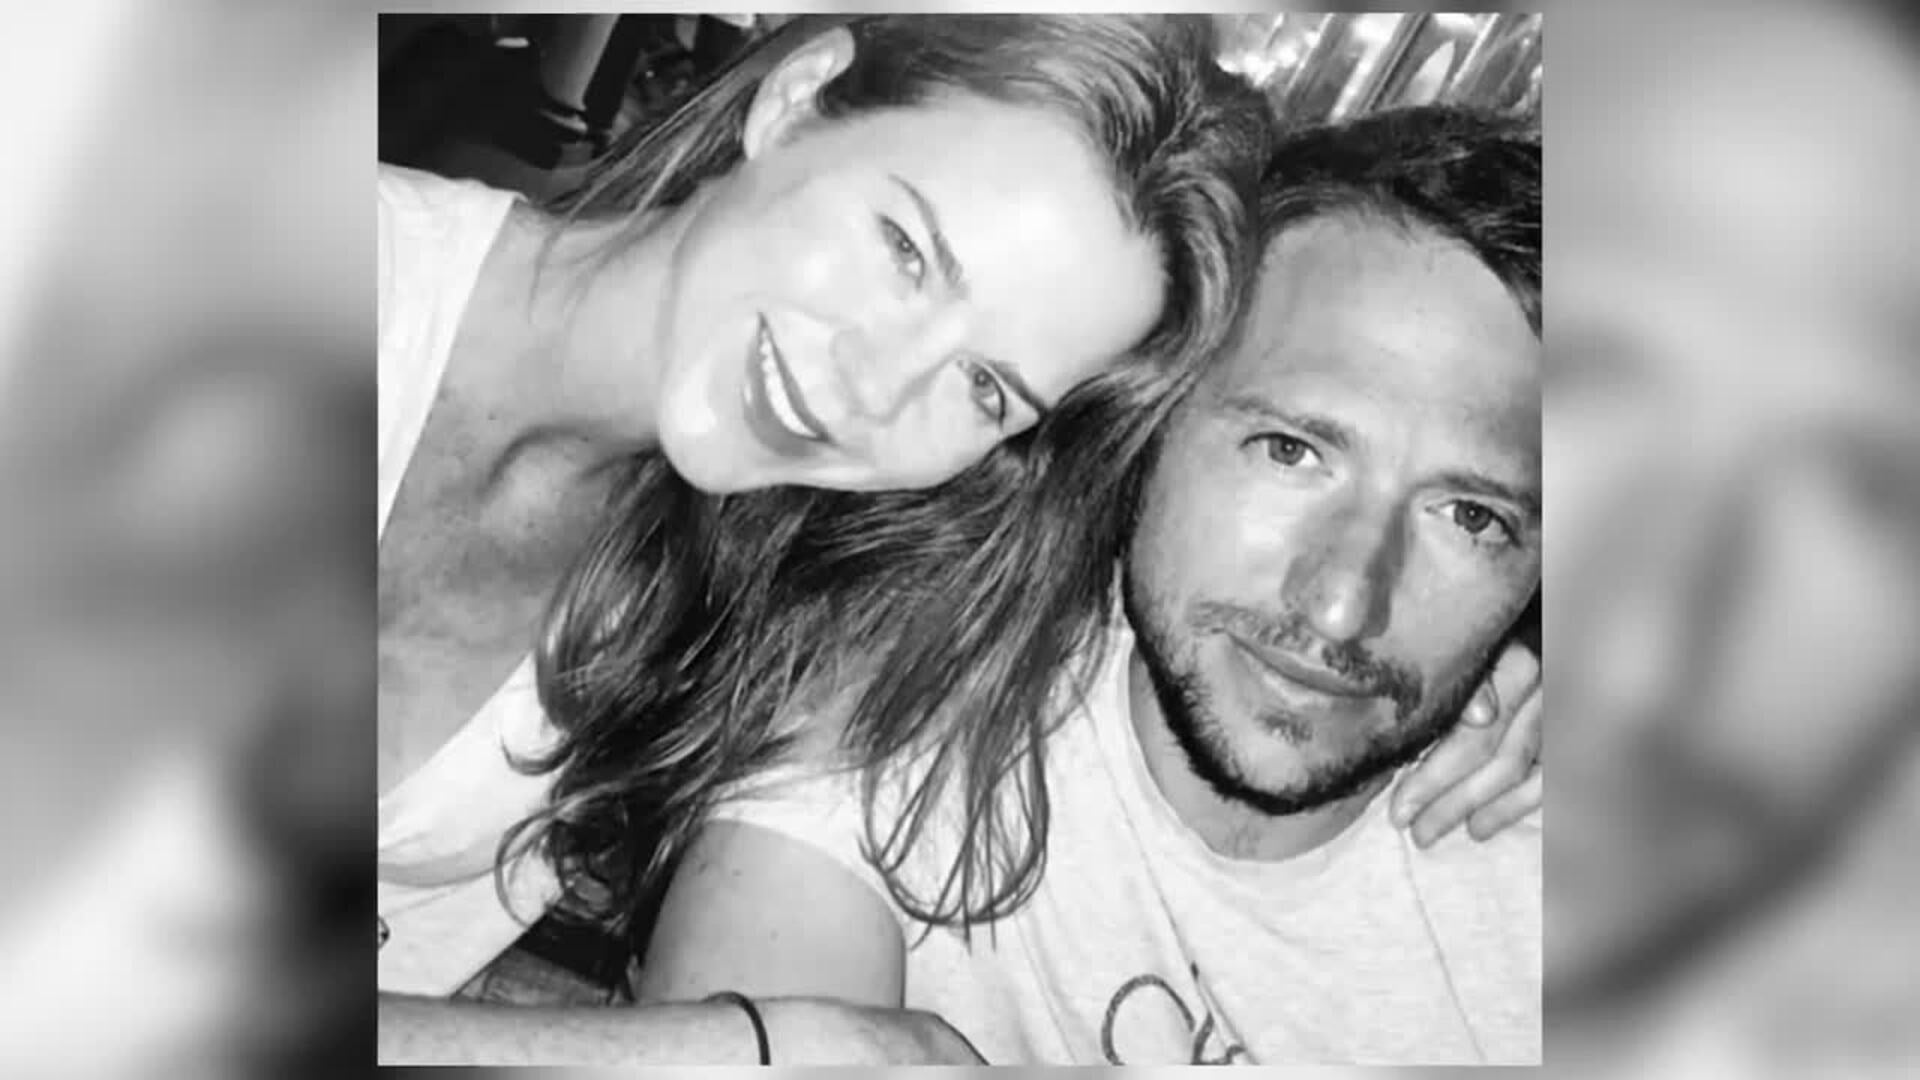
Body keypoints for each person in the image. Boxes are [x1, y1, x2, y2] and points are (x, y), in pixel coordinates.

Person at [378, 14, 1542, 1063]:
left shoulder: (790, 575)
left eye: (988, 387)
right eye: (906, 251)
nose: (877, 387)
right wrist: (735, 1050)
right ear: (795, 97)